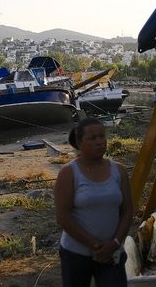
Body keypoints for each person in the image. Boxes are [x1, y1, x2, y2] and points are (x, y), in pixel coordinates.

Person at [54, 117, 133, 287]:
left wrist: (115, 244)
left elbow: (127, 211)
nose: (100, 142)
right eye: (93, 138)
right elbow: (63, 217)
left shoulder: (118, 170)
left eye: (102, 136)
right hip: (76, 254)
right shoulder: (68, 173)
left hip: (112, 253)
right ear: (79, 143)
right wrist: (96, 246)